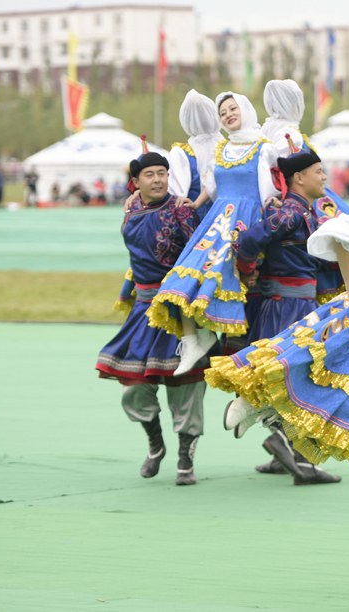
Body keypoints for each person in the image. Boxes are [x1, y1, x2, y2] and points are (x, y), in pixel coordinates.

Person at [206, 147, 349, 479]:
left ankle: (267, 412)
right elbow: (337, 234)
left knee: (332, 377)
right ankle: (252, 401)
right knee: (307, 356)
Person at [96, 150, 209, 486]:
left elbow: (200, 257)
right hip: (143, 309)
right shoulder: (131, 208)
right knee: (135, 387)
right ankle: (155, 442)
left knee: (186, 386)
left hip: (178, 308)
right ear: (137, 182)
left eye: (163, 173)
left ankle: (185, 458)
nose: (158, 179)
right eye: (150, 174)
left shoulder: (181, 210)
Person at [147, 91, 280, 375]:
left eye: (233, 109)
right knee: (186, 272)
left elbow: (268, 189)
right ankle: (194, 339)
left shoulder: (263, 147)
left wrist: (270, 212)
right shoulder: (222, 149)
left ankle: (231, 349)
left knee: (232, 279)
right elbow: (213, 184)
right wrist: (193, 204)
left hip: (246, 220)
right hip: (218, 218)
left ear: (245, 109)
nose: (229, 115)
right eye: (223, 113)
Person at [168, 89, 225, 222]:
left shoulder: (180, 153)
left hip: (193, 223)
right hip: (228, 219)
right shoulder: (229, 148)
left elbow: (176, 197)